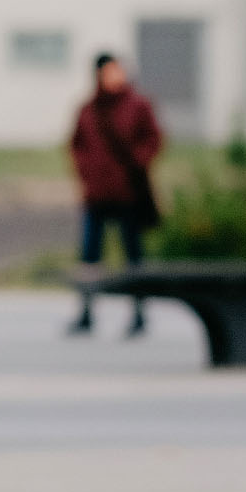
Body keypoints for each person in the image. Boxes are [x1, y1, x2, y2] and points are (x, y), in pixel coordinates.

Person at [67, 52, 163, 337]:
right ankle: (86, 312)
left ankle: (139, 313)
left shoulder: (138, 105)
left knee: (133, 256)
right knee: (89, 257)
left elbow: (153, 138)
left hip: (127, 195)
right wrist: (87, 173)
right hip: (96, 196)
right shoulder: (88, 109)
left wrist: (138, 162)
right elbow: (76, 144)